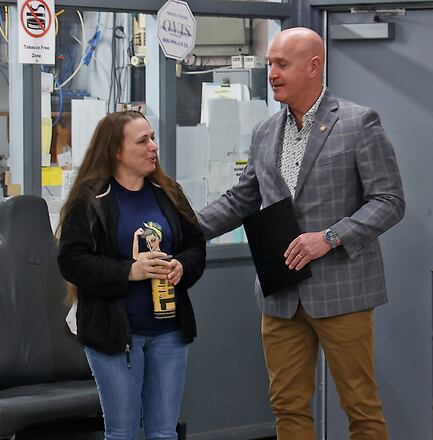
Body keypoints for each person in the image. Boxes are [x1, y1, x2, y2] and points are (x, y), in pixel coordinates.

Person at [197, 27, 405, 439]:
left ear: (314, 66)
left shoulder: (357, 123)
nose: (271, 73)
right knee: (287, 406)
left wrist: (328, 237)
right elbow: (241, 200)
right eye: (269, 63)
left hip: (342, 289)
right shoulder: (264, 132)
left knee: (360, 406)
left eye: (281, 64)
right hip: (281, 292)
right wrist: (183, 229)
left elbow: (389, 201)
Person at [58, 110, 206, 440]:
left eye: (153, 137)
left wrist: (183, 265)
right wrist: (129, 271)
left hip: (169, 331)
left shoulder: (169, 192)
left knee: (164, 433)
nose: (153, 146)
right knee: (122, 432)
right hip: (115, 335)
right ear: (116, 151)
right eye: (143, 140)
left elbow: (196, 246)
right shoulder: (91, 200)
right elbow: (72, 261)